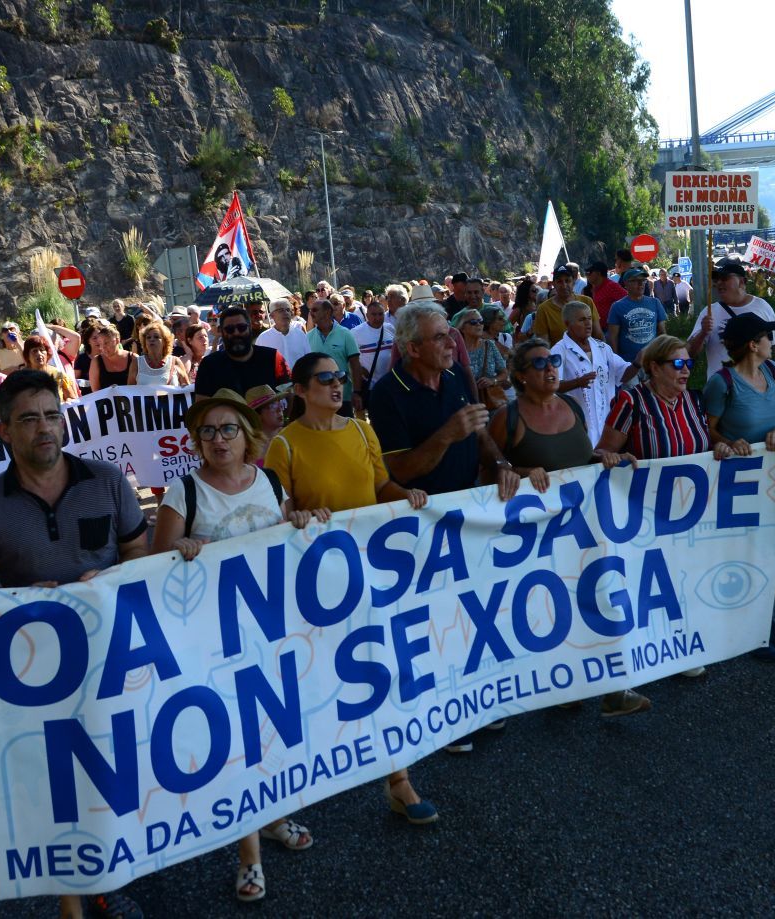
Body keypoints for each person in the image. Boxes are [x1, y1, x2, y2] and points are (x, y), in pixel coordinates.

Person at [0, 370, 147, 919]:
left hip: (111, 655)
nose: (45, 428)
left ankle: (113, 872)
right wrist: (19, 600)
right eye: (30, 418)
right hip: (35, 667)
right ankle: (71, 899)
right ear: (4, 430)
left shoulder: (107, 480)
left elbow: (140, 556)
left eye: (52, 415)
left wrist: (104, 584)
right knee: (55, 780)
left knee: (114, 767)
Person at [150, 388, 317, 903]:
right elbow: (153, 567)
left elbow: (284, 524)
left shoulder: (268, 480)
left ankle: (273, 816)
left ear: (248, 436)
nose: (218, 440)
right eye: (207, 431)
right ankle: (249, 856)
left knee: (271, 732)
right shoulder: (185, 492)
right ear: (196, 441)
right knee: (240, 744)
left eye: (228, 430)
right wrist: (178, 548)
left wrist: (301, 521)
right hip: (215, 641)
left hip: (272, 630)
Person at [266, 352, 441, 822]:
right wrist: (293, 517)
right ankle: (293, 788)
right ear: (300, 391)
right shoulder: (284, 446)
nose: (337, 384)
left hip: (373, 574)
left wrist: (407, 498)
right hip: (317, 587)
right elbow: (273, 510)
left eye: (339, 376)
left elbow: (381, 486)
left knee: (383, 670)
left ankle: (399, 781)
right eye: (324, 379)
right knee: (318, 681)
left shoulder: (363, 430)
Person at [368, 299, 523, 751]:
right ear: (412, 348)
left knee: (473, 612)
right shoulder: (386, 394)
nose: (451, 344)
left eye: (450, 335)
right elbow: (401, 472)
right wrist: (447, 435)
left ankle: (476, 700)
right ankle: (446, 717)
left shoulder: (456, 376)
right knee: (433, 622)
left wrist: (499, 461)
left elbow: (478, 431)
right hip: (421, 521)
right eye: (440, 337)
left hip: (468, 512)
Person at [486, 341, 648, 715]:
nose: (550, 368)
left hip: (585, 526)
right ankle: (562, 684)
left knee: (602, 598)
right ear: (521, 376)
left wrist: (606, 456)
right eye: (539, 363)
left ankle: (613, 691)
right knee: (554, 611)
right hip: (536, 537)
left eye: (553, 361)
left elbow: (582, 457)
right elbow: (490, 474)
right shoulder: (507, 418)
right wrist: (522, 474)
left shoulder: (572, 406)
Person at [597, 335, 730, 677]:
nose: (686, 371)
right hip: (647, 511)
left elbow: (704, 438)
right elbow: (602, 450)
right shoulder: (632, 400)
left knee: (687, 574)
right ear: (654, 367)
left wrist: (725, 446)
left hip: (693, 508)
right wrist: (612, 457)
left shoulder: (692, 400)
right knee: (655, 583)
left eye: (689, 364)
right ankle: (647, 650)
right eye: (678, 364)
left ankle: (682, 643)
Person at [702, 313, 775, 662]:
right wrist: (729, 441)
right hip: (740, 483)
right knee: (751, 557)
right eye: (768, 338)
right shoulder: (721, 382)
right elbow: (707, 430)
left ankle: (758, 614)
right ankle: (751, 625)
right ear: (752, 344)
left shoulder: (773, 373)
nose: (774, 343)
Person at [552, 301, 638, 445]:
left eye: (589, 318)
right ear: (568, 324)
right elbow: (552, 387)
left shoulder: (602, 348)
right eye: (581, 320)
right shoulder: (559, 351)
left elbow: (623, 374)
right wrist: (577, 383)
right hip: (579, 427)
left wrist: (638, 363)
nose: (588, 323)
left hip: (607, 427)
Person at [688, 261, 775, 375]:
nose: (719, 283)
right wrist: (703, 333)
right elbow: (690, 353)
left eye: (725, 278)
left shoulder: (762, 306)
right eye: (717, 279)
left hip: (759, 389)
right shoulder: (709, 312)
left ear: (741, 282)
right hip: (723, 388)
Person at [194, 305, 292, 397]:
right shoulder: (209, 366)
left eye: (241, 328)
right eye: (230, 329)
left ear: (249, 328)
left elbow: (289, 393)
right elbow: (202, 406)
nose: (236, 333)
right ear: (221, 332)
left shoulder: (273, 357)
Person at [305, 298, 363, 417]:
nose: (311, 313)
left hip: (342, 395)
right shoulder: (308, 337)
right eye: (310, 310)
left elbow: (355, 365)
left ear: (327, 312)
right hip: (318, 397)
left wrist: (357, 392)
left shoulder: (346, 334)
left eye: (315, 310)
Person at [607, 268, 668, 364]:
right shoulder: (617, 306)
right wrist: (617, 361)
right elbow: (613, 337)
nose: (641, 284)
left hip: (652, 361)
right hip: (628, 362)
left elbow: (662, 332)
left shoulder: (655, 302)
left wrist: (663, 355)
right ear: (626, 284)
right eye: (635, 281)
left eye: (643, 280)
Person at [531, 266, 603, 345]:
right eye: (559, 281)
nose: (564, 285)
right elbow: (543, 343)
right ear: (553, 284)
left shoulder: (587, 302)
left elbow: (597, 334)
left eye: (567, 281)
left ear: (574, 282)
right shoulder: (544, 309)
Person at [455, 307, 508, 409]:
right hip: (465, 404)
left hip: (491, 404)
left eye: (481, 321)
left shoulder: (489, 345)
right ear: (462, 328)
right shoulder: (455, 349)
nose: (479, 324)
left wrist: (493, 381)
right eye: (473, 322)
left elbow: (504, 373)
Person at [350, 296, 394, 394]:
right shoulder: (356, 332)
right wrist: (360, 371)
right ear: (367, 315)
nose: (377, 318)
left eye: (380, 314)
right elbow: (349, 357)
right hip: (369, 386)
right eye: (374, 314)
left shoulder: (391, 328)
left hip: (389, 385)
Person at [257, 299, 313, 369]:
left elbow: (309, 360)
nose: (285, 313)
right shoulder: (263, 339)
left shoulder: (300, 334)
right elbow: (259, 365)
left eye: (288, 310)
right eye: (281, 310)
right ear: (272, 315)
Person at [133, 319, 189, 387]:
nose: (152, 339)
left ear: (165, 342)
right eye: (148, 337)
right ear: (145, 342)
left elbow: (187, 389)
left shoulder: (175, 361)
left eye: (156, 337)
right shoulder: (137, 362)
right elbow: (128, 391)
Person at [89, 321, 137, 392]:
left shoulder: (134, 358)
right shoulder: (96, 361)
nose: (103, 347)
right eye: (100, 344)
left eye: (106, 343)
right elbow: (95, 392)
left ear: (117, 340)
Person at [583, 261, 627, 325]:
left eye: (589, 272)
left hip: (611, 329)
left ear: (598, 273)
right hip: (598, 328)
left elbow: (628, 301)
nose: (586, 275)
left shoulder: (611, 286)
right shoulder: (592, 289)